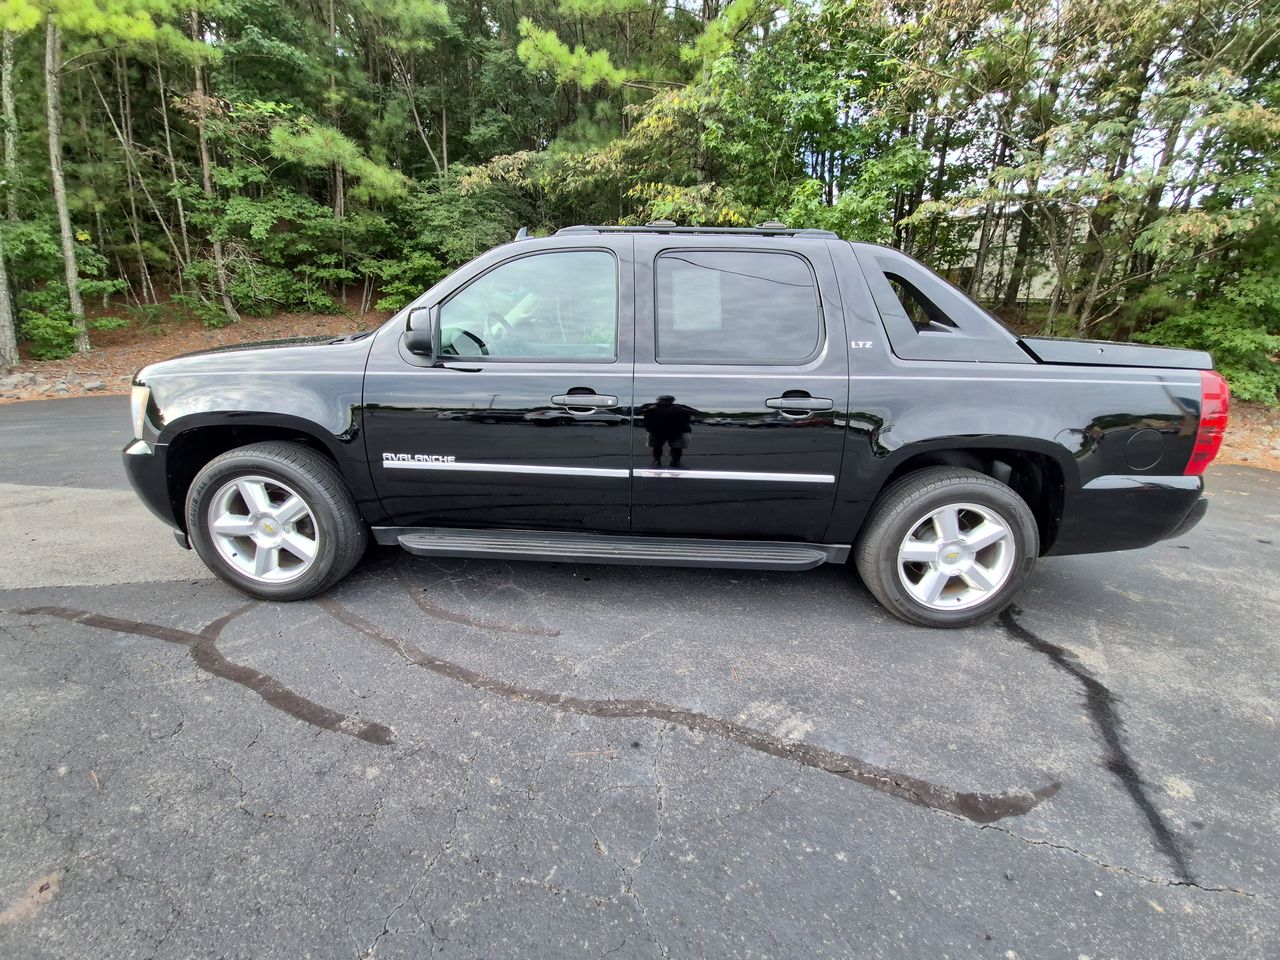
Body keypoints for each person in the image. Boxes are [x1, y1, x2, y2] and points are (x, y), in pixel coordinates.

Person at [643, 395, 692, 467]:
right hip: (656, 431)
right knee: (657, 447)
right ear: (658, 400)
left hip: (676, 431)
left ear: (673, 401)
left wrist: (684, 410)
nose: (666, 401)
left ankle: (676, 462)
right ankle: (657, 461)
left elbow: (697, 412)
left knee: (677, 448)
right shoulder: (650, 406)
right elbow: (635, 411)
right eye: (663, 400)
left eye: (669, 400)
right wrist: (649, 409)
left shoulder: (679, 406)